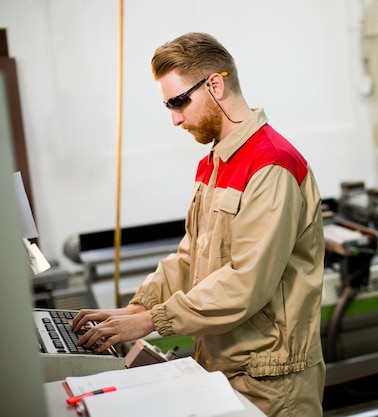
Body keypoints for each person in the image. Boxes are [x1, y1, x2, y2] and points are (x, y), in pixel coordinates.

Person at [72, 32, 326, 417]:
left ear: (215, 84)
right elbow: (190, 257)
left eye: (179, 102)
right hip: (222, 367)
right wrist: (137, 308)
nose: (175, 118)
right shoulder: (213, 164)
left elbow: (246, 283)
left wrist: (151, 322)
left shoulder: (271, 164)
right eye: (168, 107)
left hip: (270, 382)